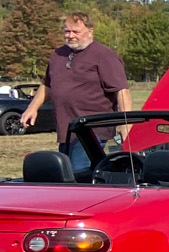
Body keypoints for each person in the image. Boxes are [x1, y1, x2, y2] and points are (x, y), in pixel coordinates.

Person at [20, 13, 132, 171]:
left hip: (92, 131)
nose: (70, 36)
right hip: (66, 130)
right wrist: (32, 108)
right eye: (67, 31)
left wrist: (126, 124)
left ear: (90, 31)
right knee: (65, 173)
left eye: (76, 32)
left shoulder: (104, 55)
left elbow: (122, 90)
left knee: (78, 175)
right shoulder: (58, 55)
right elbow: (48, 85)